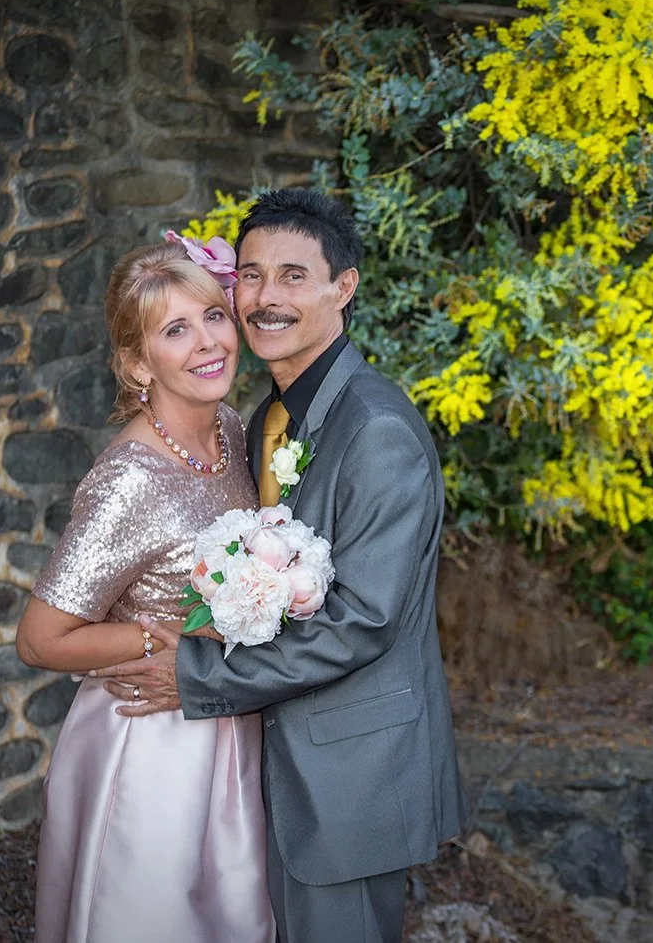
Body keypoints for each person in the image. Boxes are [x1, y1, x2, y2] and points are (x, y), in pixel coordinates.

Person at [90, 189, 467, 943]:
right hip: (277, 761)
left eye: (294, 276)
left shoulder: (377, 430)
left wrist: (192, 675)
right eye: (252, 275)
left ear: (343, 287)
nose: (265, 297)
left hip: (349, 778)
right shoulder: (270, 417)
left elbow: (361, 622)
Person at [14, 237, 275, 943]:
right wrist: (181, 633)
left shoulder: (229, 429)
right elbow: (39, 639)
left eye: (214, 316)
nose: (208, 343)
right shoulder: (129, 480)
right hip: (150, 744)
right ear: (137, 363)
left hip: (222, 719)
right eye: (174, 330)